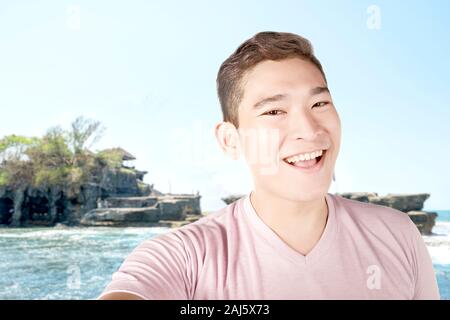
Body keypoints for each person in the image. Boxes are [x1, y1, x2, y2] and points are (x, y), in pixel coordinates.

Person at [98, 31, 440, 300]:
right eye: (274, 111)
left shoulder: (398, 234)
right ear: (230, 140)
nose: (309, 129)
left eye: (319, 103)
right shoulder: (185, 256)